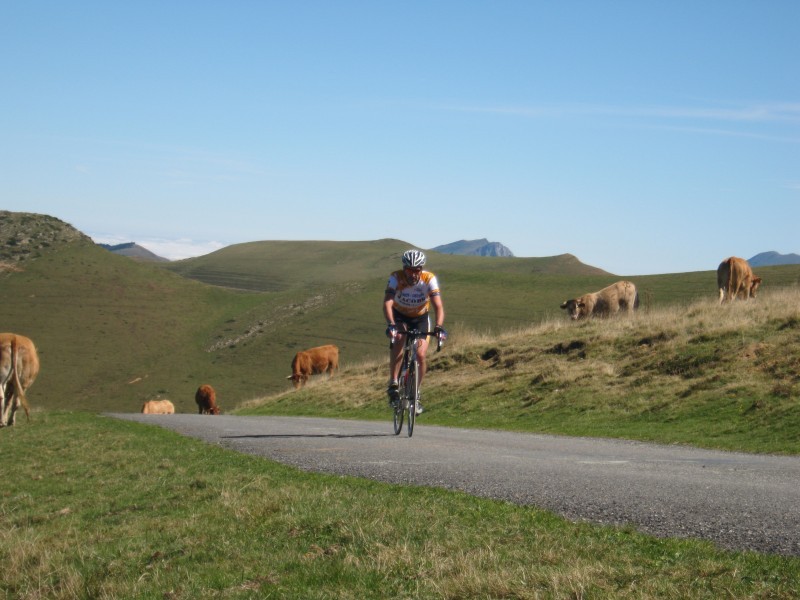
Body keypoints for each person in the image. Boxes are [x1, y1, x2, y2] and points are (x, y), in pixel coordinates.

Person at [383, 249, 446, 414]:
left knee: (420, 355)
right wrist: (391, 324)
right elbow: (388, 303)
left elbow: (438, 306)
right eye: (409, 270)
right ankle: (394, 383)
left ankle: (415, 394)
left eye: (416, 270)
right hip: (399, 316)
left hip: (420, 318)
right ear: (404, 269)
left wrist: (439, 327)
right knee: (399, 339)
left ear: (421, 269)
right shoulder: (395, 277)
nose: (412, 274)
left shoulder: (428, 278)